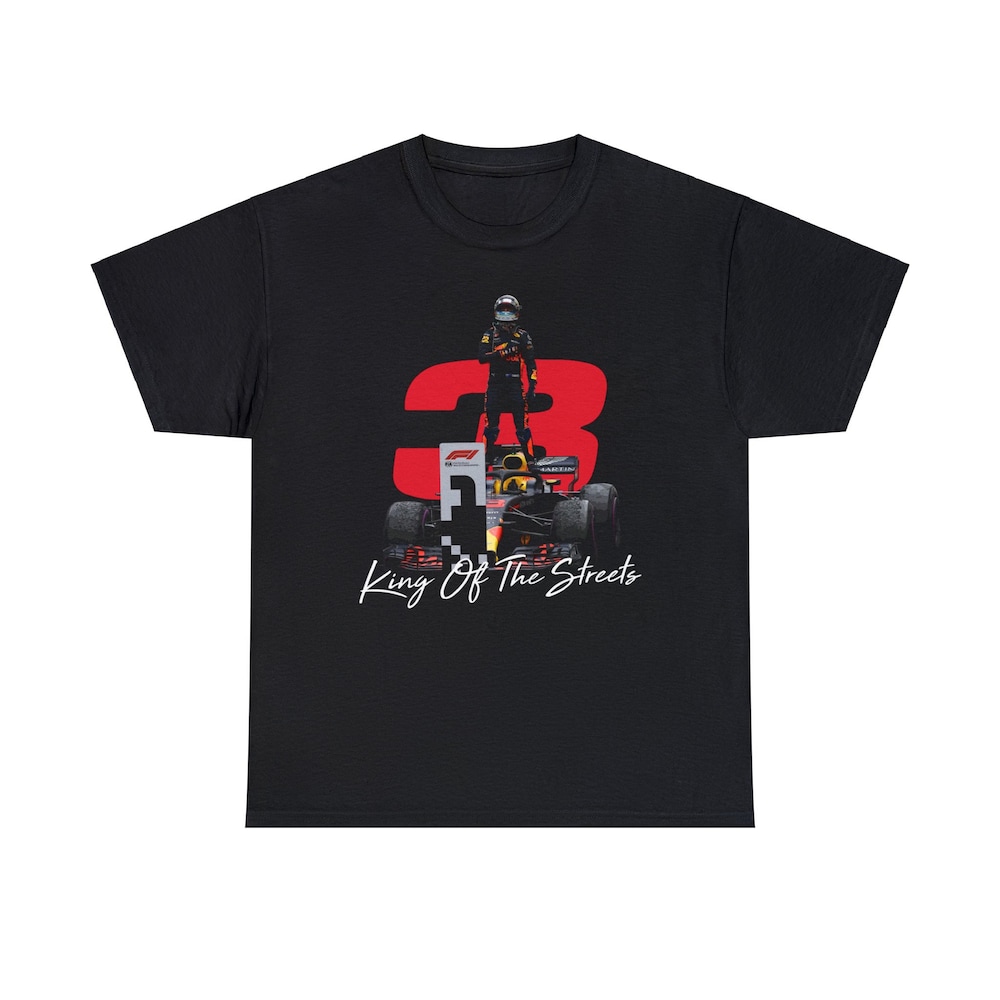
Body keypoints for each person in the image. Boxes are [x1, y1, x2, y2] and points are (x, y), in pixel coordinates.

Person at [478, 294, 538, 461]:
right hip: (495, 383)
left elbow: (531, 363)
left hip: (515, 384)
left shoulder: (523, 336)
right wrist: (503, 352)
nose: (505, 314)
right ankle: (485, 460)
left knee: (522, 425)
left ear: (516, 312)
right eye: (502, 310)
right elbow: (481, 357)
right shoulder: (490, 334)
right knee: (490, 425)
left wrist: (532, 386)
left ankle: (530, 459)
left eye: (508, 310)